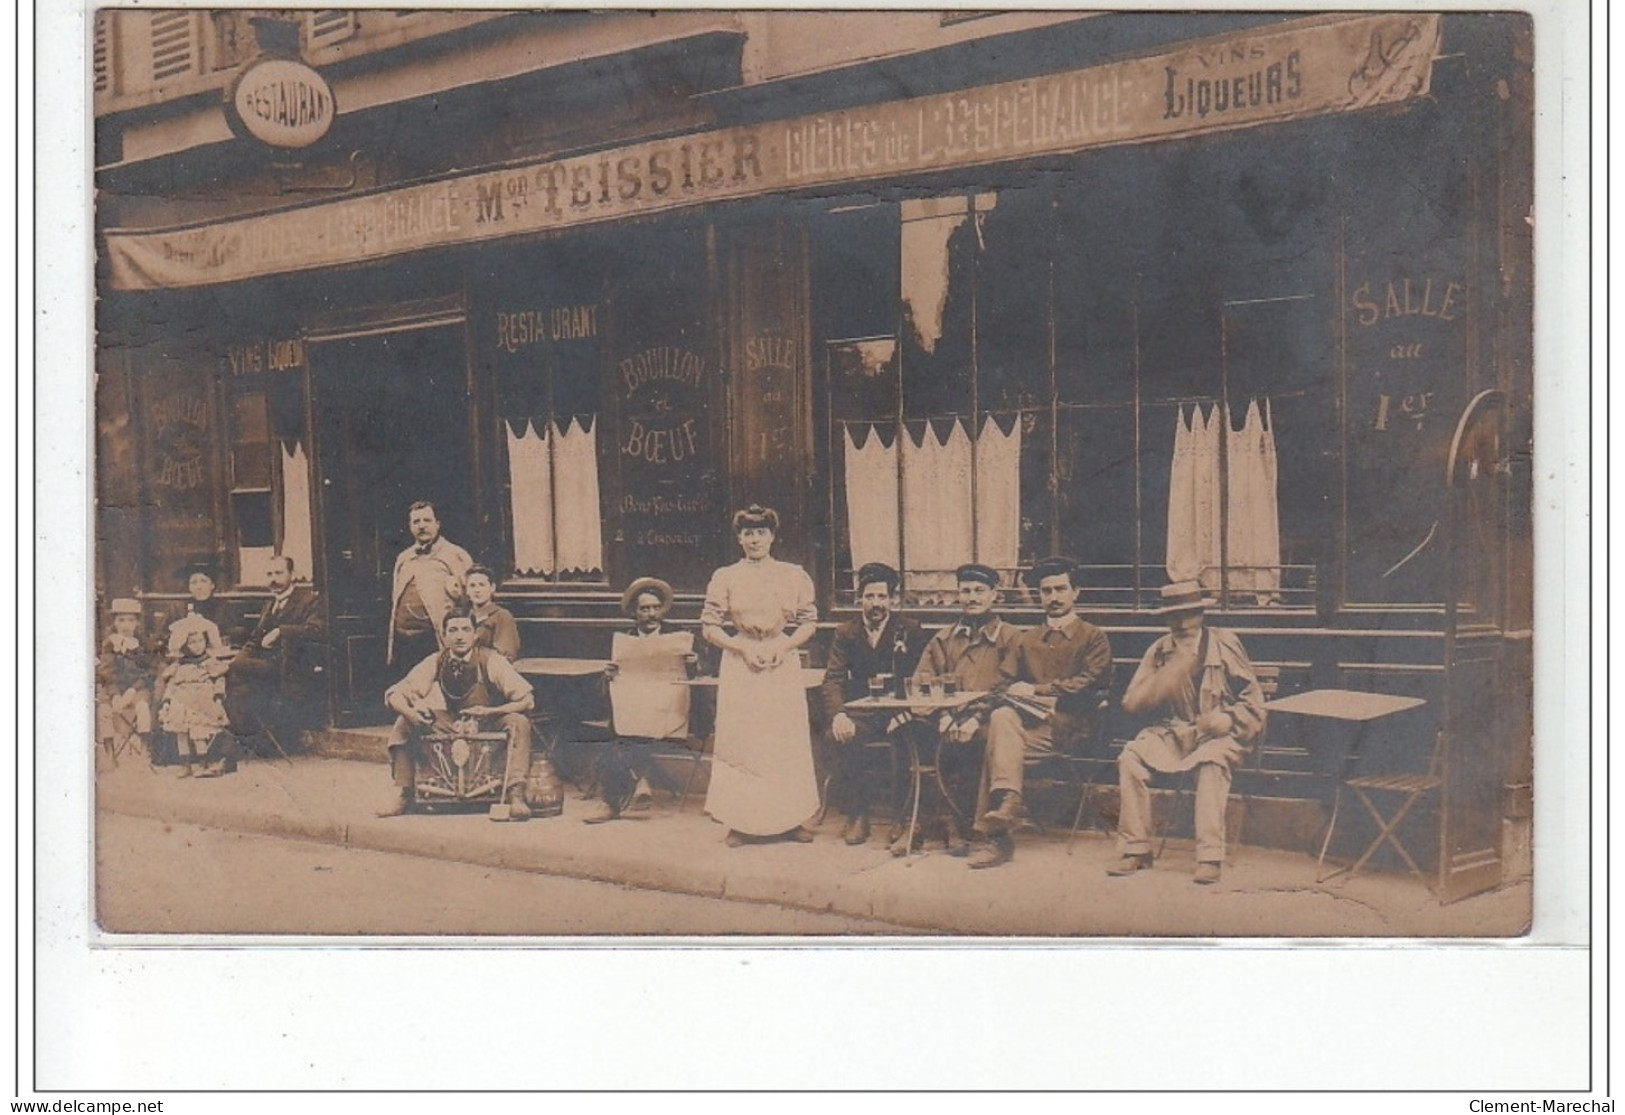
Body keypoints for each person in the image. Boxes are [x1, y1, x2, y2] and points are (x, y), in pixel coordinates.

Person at [1108, 579, 1267, 885]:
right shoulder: (1159, 650)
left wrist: (1229, 717)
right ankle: (1136, 849)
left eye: (1189, 614)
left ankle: (1209, 856)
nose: (1181, 623)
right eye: (1173, 616)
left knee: (1211, 761)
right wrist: (1163, 678)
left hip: (1224, 736)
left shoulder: (1225, 643)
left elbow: (1255, 703)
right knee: (1130, 757)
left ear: (1201, 614)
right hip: (1179, 733)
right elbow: (1131, 702)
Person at [973, 557, 1114, 869]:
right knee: (999, 718)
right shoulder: (1028, 638)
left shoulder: (1093, 637)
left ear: (1076, 592)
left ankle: (993, 838)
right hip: (1029, 729)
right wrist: (999, 698)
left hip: (1072, 727)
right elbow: (1001, 683)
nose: (1053, 597)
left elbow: (1090, 683)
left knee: (994, 745)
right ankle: (1009, 803)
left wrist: (1038, 691)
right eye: (1046, 591)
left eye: (1060, 589)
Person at [700, 505, 820, 846]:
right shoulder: (725, 576)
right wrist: (741, 648)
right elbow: (709, 626)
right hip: (741, 663)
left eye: (761, 532)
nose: (755, 539)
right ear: (739, 538)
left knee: (783, 740)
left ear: (772, 536)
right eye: (748, 533)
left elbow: (809, 621)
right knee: (743, 742)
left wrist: (784, 647)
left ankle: (790, 819)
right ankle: (741, 822)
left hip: (781, 660)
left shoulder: (792, 574)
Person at [903, 562, 1021, 858]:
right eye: (965, 591)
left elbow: (1007, 685)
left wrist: (974, 718)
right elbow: (922, 680)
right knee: (915, 733)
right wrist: (942, 713)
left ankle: (967, 826)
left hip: (986, 721)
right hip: (946, 719)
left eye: (979, 591)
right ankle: (931, 823)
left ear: (994, 595)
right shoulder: (944, 638)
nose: (972, 597)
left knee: (976, 742)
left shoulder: (1010, 638)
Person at [378, 610, 536, 820]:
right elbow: (394, 694)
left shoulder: (492, 660)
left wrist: (490, 711)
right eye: (452, 630)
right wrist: (411, 712)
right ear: (443, 636)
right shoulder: (436, 660)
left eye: (465, 629)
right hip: (455, 723)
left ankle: (516, 794)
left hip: (489, 722)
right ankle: (404, 793)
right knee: (403, 722)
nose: (459, 636)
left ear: (474, 634)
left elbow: (527, 700)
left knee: (519, 722)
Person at [819, 562, 924, 846]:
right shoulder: (846, 632)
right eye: (869, 597)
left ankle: (900, 818)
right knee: (838, 737)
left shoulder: (910, 630)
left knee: (908, 741)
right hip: (863, 714)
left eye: (881, 596)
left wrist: (905, 711)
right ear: (859, 599)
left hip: (900, 713)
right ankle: (857, 814)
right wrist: (839, 715)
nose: (875, 603)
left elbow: (919, 677)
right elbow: (833, 679)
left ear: (893, 599)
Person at [585, 576, 693, 825]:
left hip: (669, 712)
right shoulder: (622, 640)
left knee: (625, 742)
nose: (651, 614)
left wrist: (693, 663)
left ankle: (615, 800)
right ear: (634, 612)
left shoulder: (678, 638)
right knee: (626, 736)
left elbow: (698, 677)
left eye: (656, 608)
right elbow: (605, 688)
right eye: (645, 609)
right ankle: (635, 786)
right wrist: (608, 674)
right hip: (634, 711)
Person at [216, 554, 325, 775]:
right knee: (237, 692)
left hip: (291, 670)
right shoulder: (270, 603)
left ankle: (233, 752)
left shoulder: (308, 600)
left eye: (278, 573)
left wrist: (280, 631)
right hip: (264, 672)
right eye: (269, 574)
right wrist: (240, 660)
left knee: (229, 675)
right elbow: (255, 639)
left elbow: (318, 629)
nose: (273, 579)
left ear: (292, 575)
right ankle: (229, 758)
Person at [388, 500, 473, 670]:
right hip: (404, 641)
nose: (421, 526)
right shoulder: (403, 558)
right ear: (410, 526)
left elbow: (470, 598)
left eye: (427, 520)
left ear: (437, 524)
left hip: (434, 640)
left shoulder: (455, 555)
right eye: (416, 522)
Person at [156, 613, 231, 777]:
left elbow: (219, 680)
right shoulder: (179, 666)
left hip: (201, 700)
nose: (197, 646)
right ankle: (185, 765)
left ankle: (202, 764)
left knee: (199, 733)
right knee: (181, 733)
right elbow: (172, 684)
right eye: (192, 643)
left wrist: (218, 697)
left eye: (200, 641)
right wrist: (167, 701)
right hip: (181, 700)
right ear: (184, 645)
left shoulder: (209, 662)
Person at [96, 597, 157, 767]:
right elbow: (106, 672)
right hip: (113, 688)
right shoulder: (109, 645)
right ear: (114, 622)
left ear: (137, 622)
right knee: (104, 710)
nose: (126, 625)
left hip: (138, 688)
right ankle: (110, 753)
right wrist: (115, 694)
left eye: (131, 620)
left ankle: (145, 749)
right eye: (121, 620)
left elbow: (150, 671)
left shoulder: (144, 644)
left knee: (143, 708)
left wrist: (132, 690)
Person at [465, 564, 521, 660]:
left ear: (492, 588)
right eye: (472, 586)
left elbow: (505, 654)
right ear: (467, 591)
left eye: (482, 585)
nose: (477, 590)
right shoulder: (464, 617)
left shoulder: (502, 616)